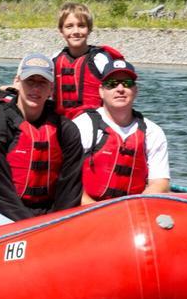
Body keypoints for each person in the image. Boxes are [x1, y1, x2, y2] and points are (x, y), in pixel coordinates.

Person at [0, 53, 83, 229]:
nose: (36, 89)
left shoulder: (66, 130)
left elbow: (69, 188)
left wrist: (58, 225)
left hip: (48, 216)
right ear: (17, 82)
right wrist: (32, 227)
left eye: (42, 82)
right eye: (30, 81)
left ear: (51, 89)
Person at [72, 59, 171, 203]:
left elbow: (160, 183)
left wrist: (134, 208)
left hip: (134, 208)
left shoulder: (153, 132)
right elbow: (66, 179)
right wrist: (96, 211)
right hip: (86, 208)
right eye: (112, 84)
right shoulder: (82, 126)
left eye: (127, 84)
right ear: (101, 91)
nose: (120, 89)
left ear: (135, 90)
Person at [52, 2, 124, 120]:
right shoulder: (54, 59)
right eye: (69, 26)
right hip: (62, 123)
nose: (76, 31)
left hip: (94, 123)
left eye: (81, 26)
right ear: (61, 30)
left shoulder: (100, 59)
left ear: (89, 29)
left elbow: (117, 90)